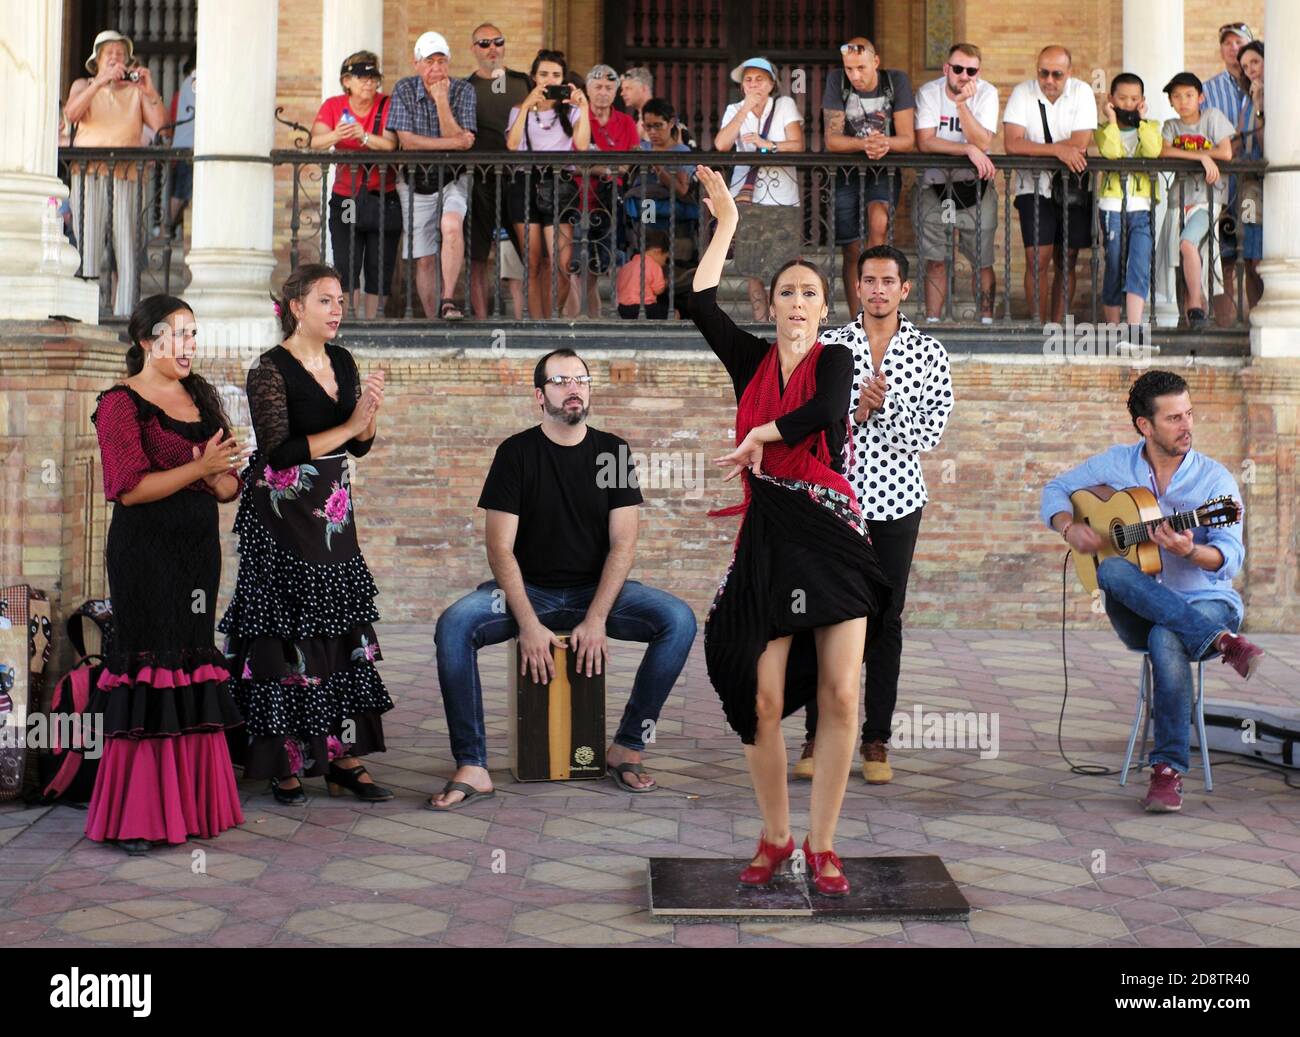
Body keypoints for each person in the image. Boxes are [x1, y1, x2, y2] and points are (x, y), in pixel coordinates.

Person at [691, 165, 891, 896]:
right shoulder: (748, 360)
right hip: (770, 538)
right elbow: (696, 300)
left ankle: (824, 843)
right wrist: (729, 227)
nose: (799, 303)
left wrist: (762, 434)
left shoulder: (838, 357)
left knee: (841, 694)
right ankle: (775, 836)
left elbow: (821, 412)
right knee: (761, 693)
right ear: (769, 304)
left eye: (810, 293)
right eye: (787, 293)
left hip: (831, 531)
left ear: (823, 306)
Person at [433, 348, 697, 808]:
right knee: (454, 625)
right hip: (527, 591)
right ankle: (473, 765)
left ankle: (627, 747)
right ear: (540, 395)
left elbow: (624, 545)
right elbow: (499, 548)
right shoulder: (516, 453)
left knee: (678, 619)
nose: (573, 388)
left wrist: (596, 619)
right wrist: (530, 623)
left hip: (595, 593)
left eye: (581, 379)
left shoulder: (612, 452)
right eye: (560, 381)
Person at [1040, 370, 1264, 812]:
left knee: (1168, 638)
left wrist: (1191, 552)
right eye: (1174, 418)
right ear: (1145, 425)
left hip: (1209, 601)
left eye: (1189, 415)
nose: (1187, 427)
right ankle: (1222, 644)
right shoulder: (1116, 464)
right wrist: (1069, 528)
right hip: (1137, 608)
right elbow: (1056, 488)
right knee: (1113, 573)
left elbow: (1229, 558)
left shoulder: (1215, 485)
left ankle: (1167, 772)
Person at [218, 264, 394, 804]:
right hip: (280, 516)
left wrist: (368, 418)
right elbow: (280, 450)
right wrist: (348, 425)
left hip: (333, 517)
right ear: (296, 306)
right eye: (325, 300)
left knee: (337, 627)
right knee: (284, 630)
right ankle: (284, 760)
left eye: (340, 299)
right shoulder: (269, 369)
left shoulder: (342, 360)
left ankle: (342, 757)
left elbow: (358, 446)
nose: (337, 309)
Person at [87, 295, 246, 853]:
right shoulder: (118, 404)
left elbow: (228, 487)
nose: (188, 346)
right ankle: (139, 816)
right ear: (145, 341)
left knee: (191, 660)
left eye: (193, 334)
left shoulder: (200, 395)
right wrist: (198, 468)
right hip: (143, 556)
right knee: (150, 664)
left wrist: (213, 473)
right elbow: (129, 490)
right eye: (177, 334)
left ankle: (192, 806)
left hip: (197, 553)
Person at [794, 245, 952, 784]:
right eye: (869, 280)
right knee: (825, 616)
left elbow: (927, 437)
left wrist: (885, 408)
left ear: (905, 289)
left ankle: (876, 741)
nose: (878, 289)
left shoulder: (930, 353)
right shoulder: (830, 345)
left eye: (889, 281)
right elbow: (807, 424)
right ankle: (816, 735)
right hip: (834, 500)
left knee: (885, 621)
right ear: (856, 287)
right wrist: (852, 414)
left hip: (897, 502)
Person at [64, 30, 168, 316]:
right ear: (96, 60)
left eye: (120, 54)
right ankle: (87, 313)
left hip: (127, 175)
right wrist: (98, 83)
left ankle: (125, 315)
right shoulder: (83, 84)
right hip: (89, 175)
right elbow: (71, 114)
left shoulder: (136, 91)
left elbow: (160, 126)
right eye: (109, 53)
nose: (115, 58)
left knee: (127, 247)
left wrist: (150, 91)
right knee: (88, 245)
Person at [1003, 45, 1097, 323]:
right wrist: (1058, 151)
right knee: (1037, 259)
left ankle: (1056, 328)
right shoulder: (1023, 92)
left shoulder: (1082, 92)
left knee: (1066, 258)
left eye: (1057, 74)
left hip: (1072, 188)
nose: (1049, 80)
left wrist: (1037, 148)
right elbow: (1012, 143)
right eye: (1043, 73)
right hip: (1032, 187)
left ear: (1070, 72)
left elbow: (1080, 143)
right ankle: (1037, 326)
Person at [387, 31, 477, 320]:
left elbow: (463, 144)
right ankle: (432, 319)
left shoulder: (463, 91)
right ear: (416, 63)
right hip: (414, 182)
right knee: (424, 259)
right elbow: (408, 142)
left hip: (452, 178)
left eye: (441, 61)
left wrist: (441, 101)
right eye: (429, 61)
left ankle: (448, 300)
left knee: (452, 225)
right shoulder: (403, 88)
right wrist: (455, 143)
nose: (436, 68)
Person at [823, 38, 916, 317]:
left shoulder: (895, 81)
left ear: (875, 62)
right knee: (851, 248)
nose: (855, 76)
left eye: (861, 68)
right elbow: (832, 140)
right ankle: (857, 318)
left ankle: (878, 305)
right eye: (850, 69)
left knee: (879, 223)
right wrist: (864, 145)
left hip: (883, 170)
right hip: (847, 172)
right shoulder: (837, 81)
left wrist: (883, 143)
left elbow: (907, 139)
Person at [310, 52, 401, 319]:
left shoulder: (387, 104)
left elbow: (390, 144)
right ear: (347, 80)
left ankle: (374, 326)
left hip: (383, 196)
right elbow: (315, 142)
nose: (369, 84)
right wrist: (336, 134)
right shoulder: (334, 105)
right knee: (346, 264)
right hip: (346, 197)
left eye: (374, 78)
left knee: (379, 266)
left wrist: (363, 136)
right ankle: (349, 325)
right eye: (363, 78)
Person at [913, 42, 999, 323]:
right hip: (938, 187)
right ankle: (934, 322)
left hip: (976, 187)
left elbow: (984, 141)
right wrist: (967, 149)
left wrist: (962, 105)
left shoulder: (987, 93)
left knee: (981, 259)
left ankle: (985, 321)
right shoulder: (929, 92)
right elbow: (925, 142)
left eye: (971, 70)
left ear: (978, 72)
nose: (964, 76)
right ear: (946, 68)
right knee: (936, 258)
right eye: (958, 68)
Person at [715, 57, 805, 321]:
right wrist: (745, 109)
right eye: (748, 79)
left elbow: (797, 144)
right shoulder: (734, 109)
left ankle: (782, 318)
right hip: (747, 196)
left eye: (760, 79)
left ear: (771, 84)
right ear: (742, 85)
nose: (753, 84)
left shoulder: (784, 104)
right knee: (752, 266)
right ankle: (760, 319)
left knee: (784, 264)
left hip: (783, 198)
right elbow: (721, 144)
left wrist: (768, 145)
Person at [506, 49, 592, 318]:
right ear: (534, 77)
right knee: (532, 263)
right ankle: (537, 324)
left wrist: (585, 107)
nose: (550, 79)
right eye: (544, 74)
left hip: (560, 182)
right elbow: (512, 145)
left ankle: (553, 316)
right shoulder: (519, 110)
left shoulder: (572, 112)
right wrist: (528, 104)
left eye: (556, 75)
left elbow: (581, 144)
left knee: (562, 263)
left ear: (564, 80)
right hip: (524, 183)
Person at [465, 23, 533, 318]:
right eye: (484, 43)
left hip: (519, 179)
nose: (492, 48)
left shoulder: (523, 83)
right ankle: (482, 325)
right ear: (474, 49)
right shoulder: (465, 88)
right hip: (479, 181)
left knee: (527, 254)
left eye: (498, 41)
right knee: (477, 256)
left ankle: (526, 321)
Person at [1159, 73, 1235, 329]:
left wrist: (1200, 155)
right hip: (1178, 201)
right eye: (1177, 96)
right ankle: (1188, 319)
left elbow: (1225, 151)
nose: (1183, 101)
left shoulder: (1212, 117)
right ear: (1170, 101)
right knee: (1180, 258)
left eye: (1189, 95)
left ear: (1200, 97)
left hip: (1206, 200)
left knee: (1188, 244)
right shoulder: (1171, 126)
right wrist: (1202, 157)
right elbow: (1163, 151)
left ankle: (1196, 303)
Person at [1094, 73, 1162, 330]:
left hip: (1141, 208)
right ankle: (1113, 327)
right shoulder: (1103, 130)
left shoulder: (1151, 126)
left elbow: (1153, 151)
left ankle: (1134, 328)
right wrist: (1111, 120)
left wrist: (1142, 122)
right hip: (1113, 207)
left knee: (1139, 263)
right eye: (1122, 98)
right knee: (1114, 265)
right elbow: (1111, 152)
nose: (1128, 103)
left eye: (1134, 99)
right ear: (1111, 99)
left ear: (1142, 101)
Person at [575, 64, 640, 318]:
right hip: (578, 201)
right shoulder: (577, 117)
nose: (603, 92)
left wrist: (593, 165)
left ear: (616, 91)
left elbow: (631, 164)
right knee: (581, 265)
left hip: (613, 203)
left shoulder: (625, 121)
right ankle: (586, 317)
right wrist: (606, 168)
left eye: (609, 88)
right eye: (598, 86)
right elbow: (573, 161)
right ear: (587, 89)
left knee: (614, 259)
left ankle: (614, 316)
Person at [1202, 22, 1257, 324]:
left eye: (1239, 42)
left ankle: (1252, 320)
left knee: (1251, 253)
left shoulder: (1263, 84)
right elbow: (1204, 132)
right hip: (1223, 184)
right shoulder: (1208, 89)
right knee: (1223, 254)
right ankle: (1226, 324)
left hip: (1255, 186)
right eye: (1227, 43)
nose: (1233, 48)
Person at [1229, 40, 1265, 317]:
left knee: (1267, 258)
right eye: (1245, 66)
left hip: (1276, 187)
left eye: (1254, 62)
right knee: (1251, 257)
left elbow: (1268, 144)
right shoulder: (1246, 100)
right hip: (1250, 189)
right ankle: (1255, 318)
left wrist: (1261, 107)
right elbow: (1244, 140)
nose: (1250, 69)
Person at [164, 66, 196, 235]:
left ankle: (172, 231)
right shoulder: (195, 81)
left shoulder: (189, 82)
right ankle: (165, 232)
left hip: (186, 145)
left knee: (183, 195)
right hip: (189, 147)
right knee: (180, 194)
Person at [617, 229, 670, 319]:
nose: (665, 263)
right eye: (666, 258)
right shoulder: (654, 266)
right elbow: (658, 290)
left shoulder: (627, 265)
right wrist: (665, 282)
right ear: (657, 251)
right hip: (645, 308)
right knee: (672, 313)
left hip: (623, 308)